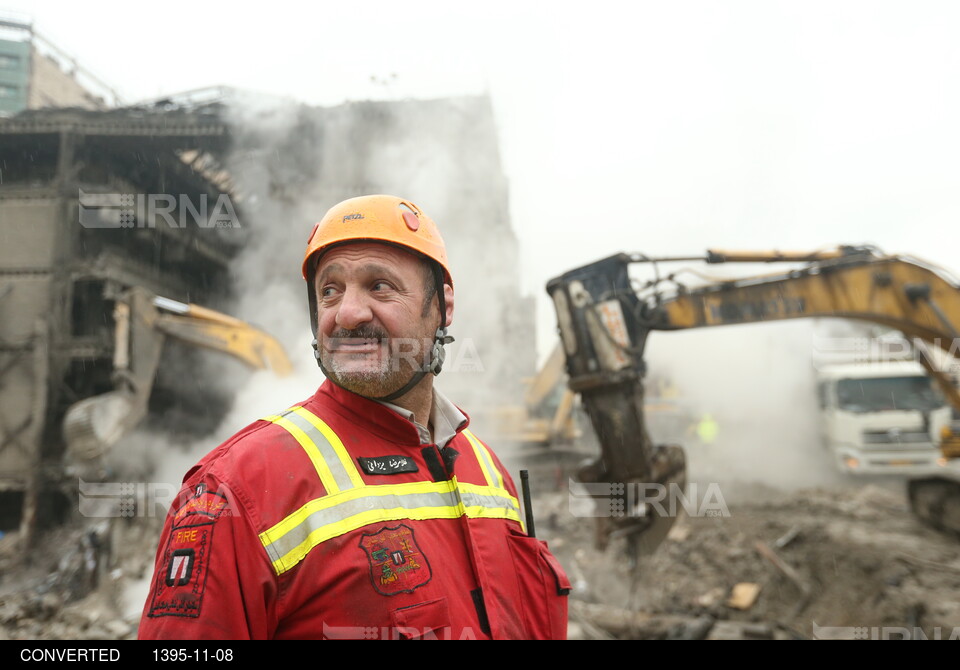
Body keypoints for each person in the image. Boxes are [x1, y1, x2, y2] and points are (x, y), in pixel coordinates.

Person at [137, 194, 570, 640]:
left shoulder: (489, 472)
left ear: (443, 307)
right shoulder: (234, 489)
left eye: (379, 285)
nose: (347, 314)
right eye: (330, 290)